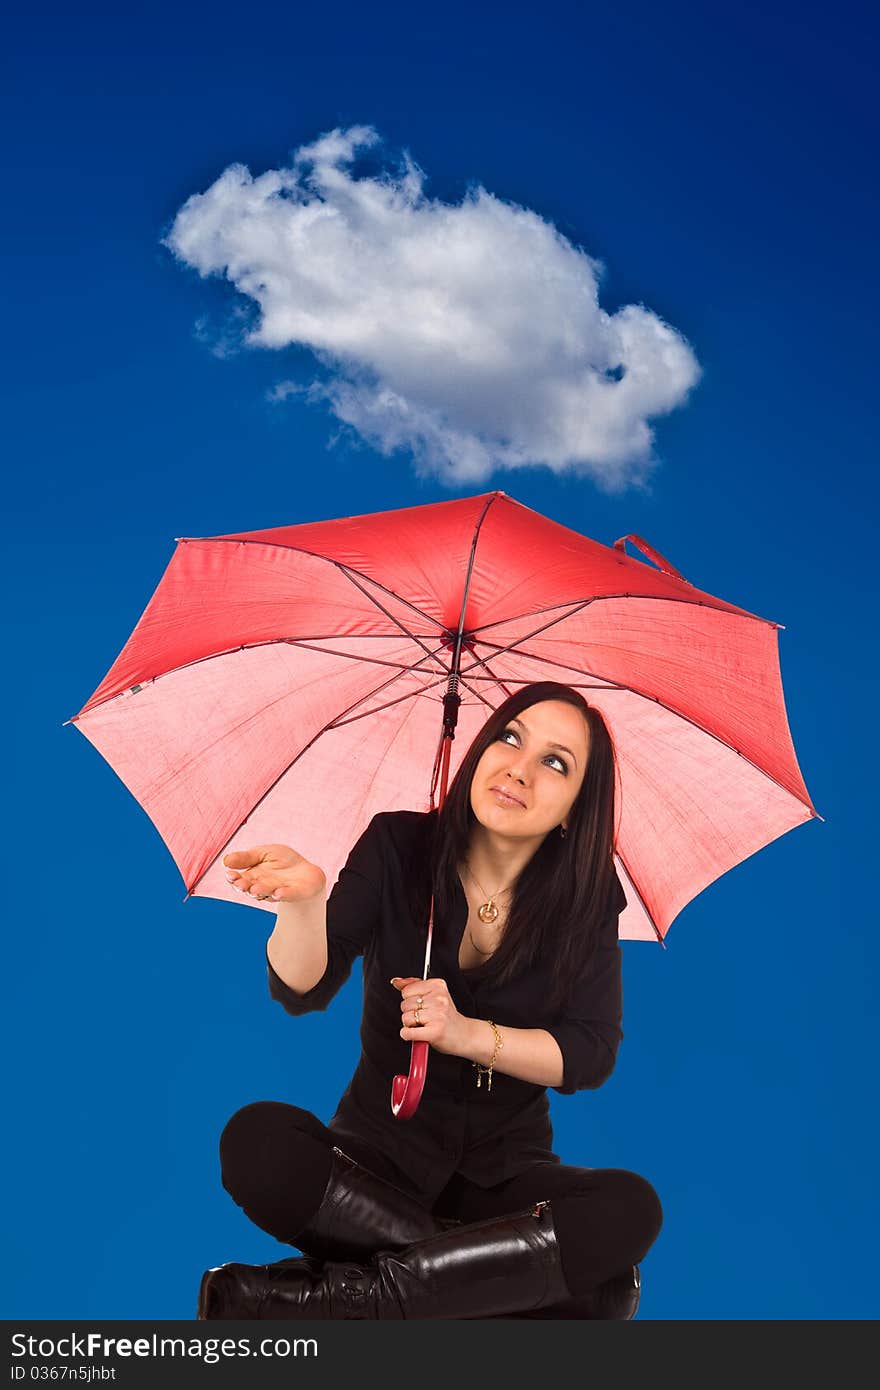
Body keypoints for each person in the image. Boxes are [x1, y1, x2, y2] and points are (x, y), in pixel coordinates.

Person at [198, 680, 663, 1320]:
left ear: (575, 806)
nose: (518, 771)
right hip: (371, 1169)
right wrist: (303, 904)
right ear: (478, 750)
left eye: (555, 764)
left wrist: (466, 1034)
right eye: (510, 738)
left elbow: (589, 1052)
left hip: (505, 1182)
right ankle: (483, 1290)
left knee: (631, 1210)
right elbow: (305, 986)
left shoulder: (585, 897)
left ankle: (326, 1302)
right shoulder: (398, 846)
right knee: (258, 1140)